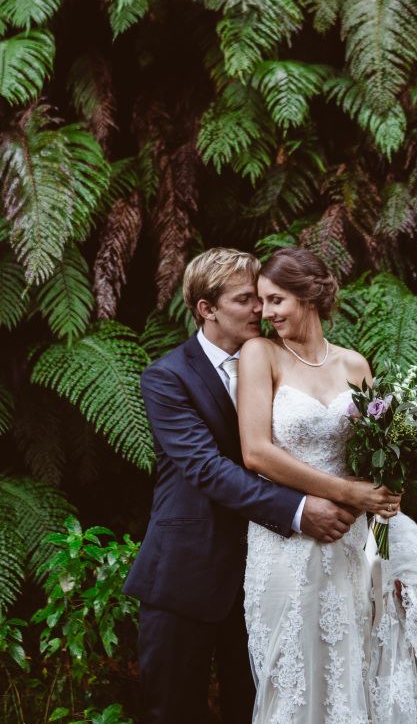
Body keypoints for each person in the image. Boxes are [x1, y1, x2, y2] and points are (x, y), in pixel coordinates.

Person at [125, 248, 362, 724]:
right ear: (206, 309)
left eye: (263, 298)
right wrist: (299, 510)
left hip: (268, 576)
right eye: (244, 300)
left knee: (259, 712)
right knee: (171, 712)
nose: (260, 309)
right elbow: (208, 469)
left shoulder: (284, 361)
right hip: (187, 574)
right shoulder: (167, 377)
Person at [239, 246, 417, 723]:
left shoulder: (354, 365)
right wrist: (344, 492)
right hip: (290, 538)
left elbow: (377, 459)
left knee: (363, 667)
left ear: (308, 296)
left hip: (356, 538)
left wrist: (386, 501)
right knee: (296, 679)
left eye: (276, 300)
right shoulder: (261, 354)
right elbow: (256, 452)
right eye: (261, 301)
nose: (265, 312)